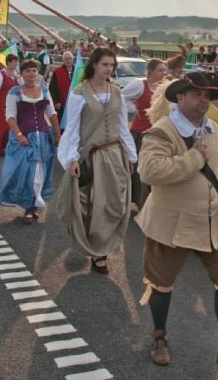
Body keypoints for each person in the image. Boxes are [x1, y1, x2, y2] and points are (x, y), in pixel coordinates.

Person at [135, 71, 218, 372]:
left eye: (208, 95)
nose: (203, 100)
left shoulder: (215, 130)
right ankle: (159, 337)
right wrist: (194, 158)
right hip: (172, 223)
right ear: (180, 97)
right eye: (197, 94)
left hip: (214, 222)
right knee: (161, 283)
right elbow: (149, 172)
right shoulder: (162, 132)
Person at [56, 47, 137, 274]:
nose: (109, 69)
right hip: (90, 157)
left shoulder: (117, 92)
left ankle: (103, 246)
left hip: (114, 155)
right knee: (91, 204)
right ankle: (96, 251)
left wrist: (131, 155)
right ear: (93, 65)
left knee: (115, 204)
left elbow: (122, 127)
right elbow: (71, 129)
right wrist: (71, 159)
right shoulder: (80, 93)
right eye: (105, 65)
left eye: (112, 65)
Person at [0, 59, 61, 223]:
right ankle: (28, 206)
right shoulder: (15, 92)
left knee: (41, 172)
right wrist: (19, 135)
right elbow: (10, 116)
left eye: (34, 71)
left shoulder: (44, 91)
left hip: (43, 137)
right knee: (28, 173)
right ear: (22, 73)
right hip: (25, 137)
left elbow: (52, 113)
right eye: (28, 71)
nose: (32, 74)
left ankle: (34, 205)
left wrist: (58, 134)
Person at [122, 58, 166, 208]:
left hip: (158, 134)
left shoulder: (163, 88)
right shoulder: (140, 85)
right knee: (141, 169)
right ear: (151, 71)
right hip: (141, 133)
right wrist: (134, 109)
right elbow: (121, 96)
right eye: (160, 70)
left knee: (156, 169)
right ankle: (142, 202)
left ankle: (153, 202)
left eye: (164, 70)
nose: (163, 73)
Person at [48, 51, 75, 124]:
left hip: (75, 103)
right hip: (62, 103)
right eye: (66, 59)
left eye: (70, 59)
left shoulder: (78, 72)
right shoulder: (57, 72)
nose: (68, 61)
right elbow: (52, 88)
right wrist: (56, 102)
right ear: (63, 60)